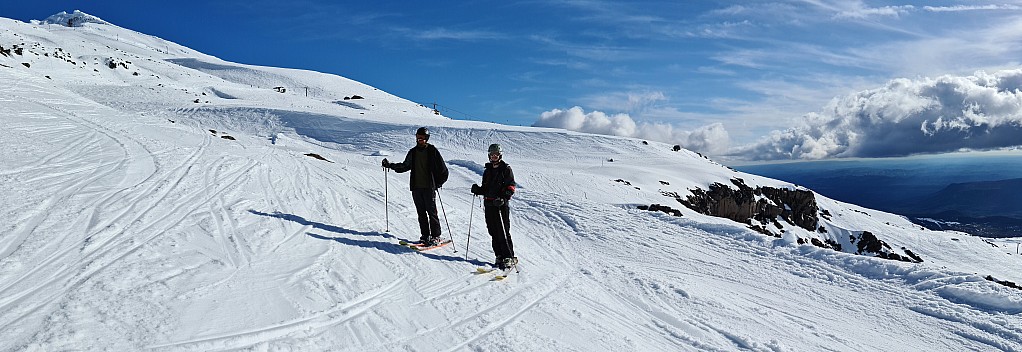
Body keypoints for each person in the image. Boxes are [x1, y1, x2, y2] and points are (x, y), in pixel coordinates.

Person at [382, 127, 449, 246]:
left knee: (432, 212)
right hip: (416, 187)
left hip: (429, 187)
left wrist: (437, 184)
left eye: (422, 138)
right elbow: (404, 166)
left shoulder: (432, 151)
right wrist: (390, 166)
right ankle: (425, 236)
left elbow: (443, 170)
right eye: (418, 137)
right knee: (421, 213)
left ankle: (436, 236)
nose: (420, 139)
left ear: (426, 139)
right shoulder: (413, 152)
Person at [471, 143, 517, 270]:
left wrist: (503, 198)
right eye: (492, 155)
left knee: (503, 231)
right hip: (489, 204)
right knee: (493, 231)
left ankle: (509, 257)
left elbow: (511, 186)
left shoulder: (506, 169)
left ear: (500, 155)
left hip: (501, 205)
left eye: (496, 155)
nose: (494, 157)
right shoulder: (487, 171)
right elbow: (486, 189)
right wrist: (478, 190)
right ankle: (499, 255)